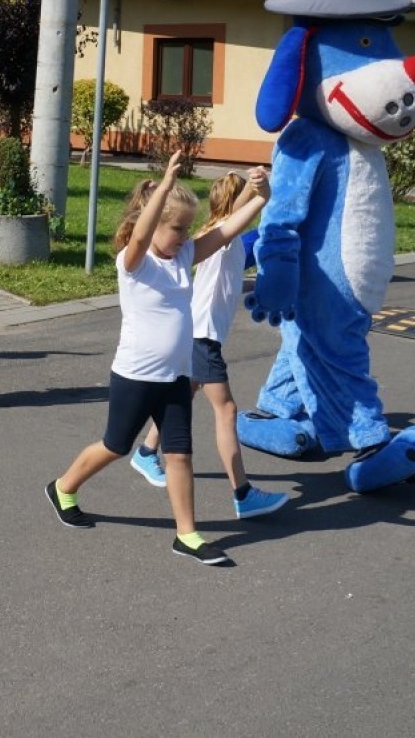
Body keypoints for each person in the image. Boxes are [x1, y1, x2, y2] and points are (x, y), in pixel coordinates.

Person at [45, 150, 269, 565]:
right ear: (150, 225)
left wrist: (260, 192)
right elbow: (139, 236)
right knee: (115, 445)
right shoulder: (133, 263)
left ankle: (188, 534)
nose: (185, 236)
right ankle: (62, 487)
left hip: (175, 379)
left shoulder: (184, 257)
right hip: (134, 376)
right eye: (178, 228)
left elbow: (231, 227)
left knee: (180, 454)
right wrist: (164, 186)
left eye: (187, 228)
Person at [128, 169, 288, 520]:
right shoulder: (221, 236)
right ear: (234, 204)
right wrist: (256, 189)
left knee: (183, 395)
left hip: (200, 334)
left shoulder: (215, 237)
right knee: (227, 410)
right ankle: (243, 494)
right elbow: (234, 214)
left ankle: (145, 452)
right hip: (202, 337)